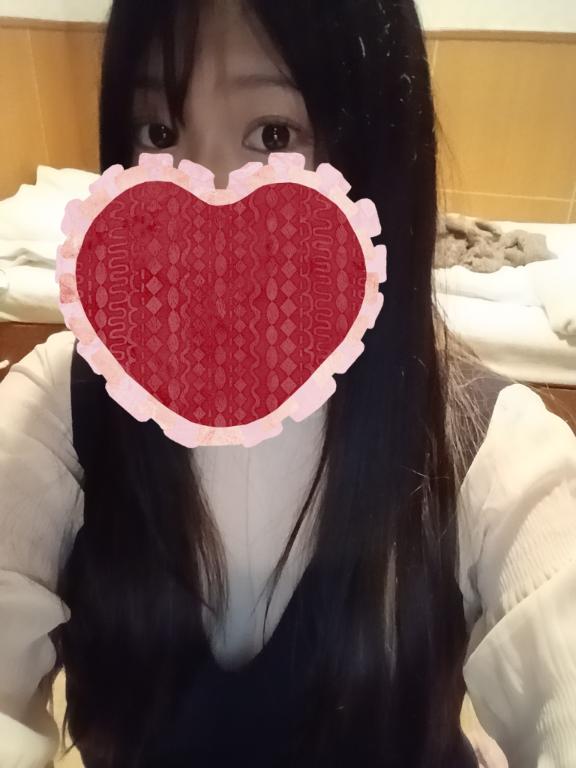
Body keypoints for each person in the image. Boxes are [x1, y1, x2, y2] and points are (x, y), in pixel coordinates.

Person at [1, 1, 575, 766]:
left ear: (381, 151)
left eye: (274, 135)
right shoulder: (59, 407)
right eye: (158, 133)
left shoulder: (483, 437)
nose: (202, 197)